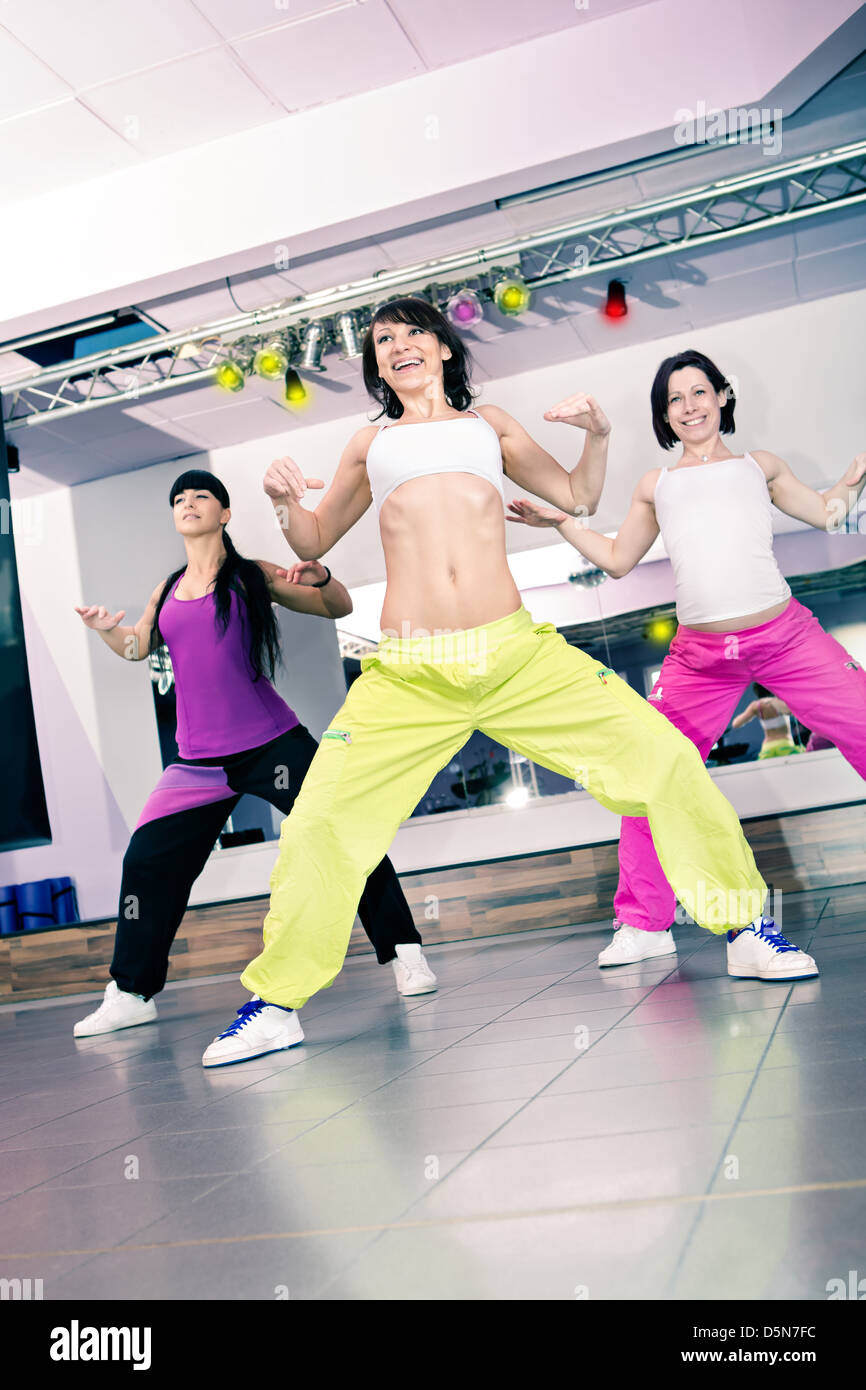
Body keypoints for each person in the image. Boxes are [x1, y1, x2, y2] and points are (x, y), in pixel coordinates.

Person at [202, 301, 774, 1068]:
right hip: (407, 671)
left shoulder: (488, 425)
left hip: (513, 655)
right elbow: (313, 538)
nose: (399, 347)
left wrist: (598, 437)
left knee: (661, 756)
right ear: (377, 364)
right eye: (383, 341)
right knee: (321, 823)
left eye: (412, 333)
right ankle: (276, 1003)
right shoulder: (369, 443)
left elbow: (577, 497)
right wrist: (281, 502)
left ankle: (743, 929)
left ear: (441, 348)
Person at [509, 348, 866, 977]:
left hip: (784, 634)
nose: (689, 406)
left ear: (723, 397)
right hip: (701, 657)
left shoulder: (761, 467)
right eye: (674, 400)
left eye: (699, 392)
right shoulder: (657, 484)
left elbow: (829, 514)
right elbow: (618, 560)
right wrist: (562, 521)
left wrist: (851, 480)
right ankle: (644, 923)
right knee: (655, 774)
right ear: (664, 416)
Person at [73, 469, 435, 1042]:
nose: (188, 504)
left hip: (269, 744)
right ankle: (131, 991)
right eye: (179, 499)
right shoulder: (166, 590)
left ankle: (404, 951)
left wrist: (324, 575)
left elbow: (334, 607)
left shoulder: (251, 576)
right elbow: (139, 646)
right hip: (196, 763)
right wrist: (104, 631)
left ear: (225, 513)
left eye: (201, 497)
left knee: (342, 834)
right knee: (146, 860)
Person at [732, 684, 804, 758]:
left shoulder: (756, 706)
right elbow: (791, 711)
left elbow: (735, 724)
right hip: (785, 745)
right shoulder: (779, 701)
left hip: (767, 748)